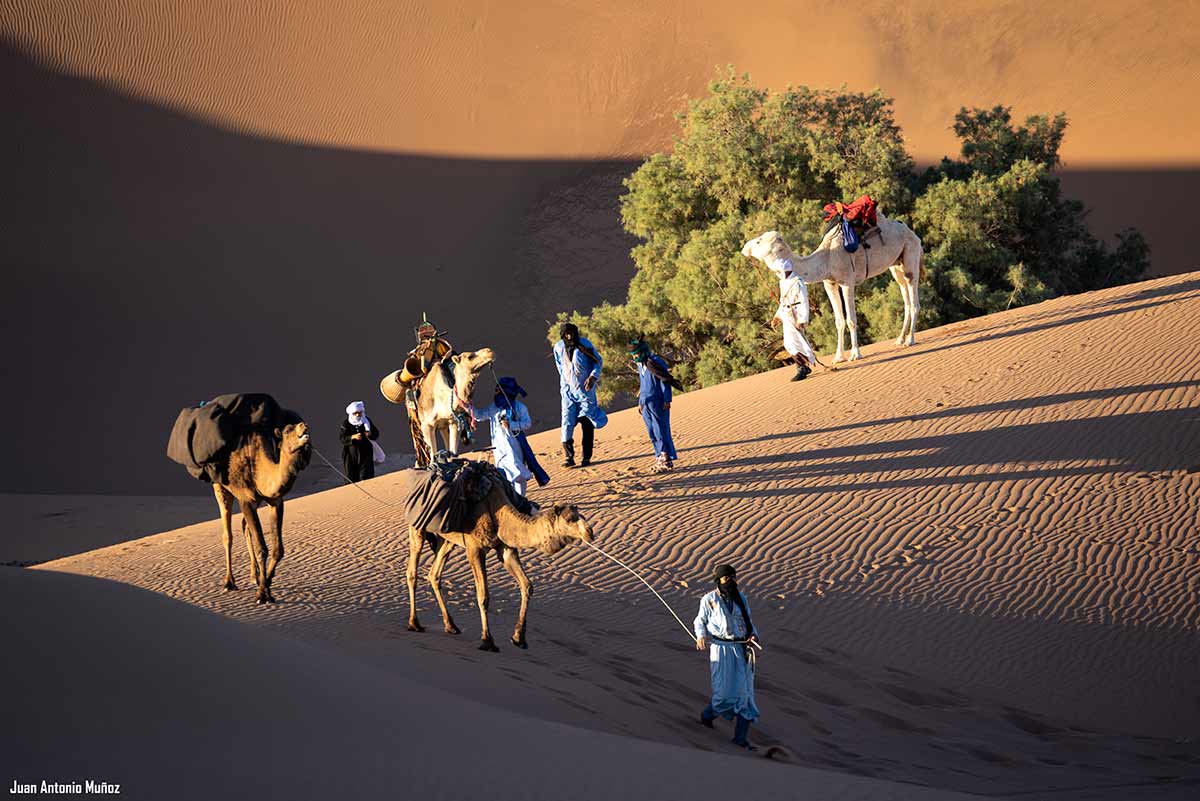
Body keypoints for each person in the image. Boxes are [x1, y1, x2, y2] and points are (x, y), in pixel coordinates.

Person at [694, 564, 760, 750]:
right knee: (724, 695)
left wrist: (753, 635)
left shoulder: (741, 598)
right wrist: (700, 636)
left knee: (745, 696)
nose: (730, 581)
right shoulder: (709, 599)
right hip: (720, 649)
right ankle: (707, 715)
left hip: (741, 650)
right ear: (718, 580)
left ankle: (740, 739)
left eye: (733, 577)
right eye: (726, 578)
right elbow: (700, 620)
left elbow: (748, 621)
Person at [473, 376, 549, 496]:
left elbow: (527, 423)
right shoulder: (494, 407)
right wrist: (467, 407)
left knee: (518, 474)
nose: (496, 392)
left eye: (498, 390)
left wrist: (512, 425)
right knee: (503, 476)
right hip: (499, 449)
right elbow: (480, 415)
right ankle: (513, 501)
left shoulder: (520, 407)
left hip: (515, 446)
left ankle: (521, 499)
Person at [398, 315, 454, 467]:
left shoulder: (441, 345)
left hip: (440, 369)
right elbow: (420, 367)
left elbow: (449, 356)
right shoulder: (418, 350)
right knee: (411, 393)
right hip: (425, 376)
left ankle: (463, 416)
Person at [552, 322, 607, 467]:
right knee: (567, 422)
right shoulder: (558, 347)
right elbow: (560, 367)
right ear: (563, 335)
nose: (569, 336)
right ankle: (569, 457)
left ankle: (586, 457)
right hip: (567, 393)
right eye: (566, 333)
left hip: (585, 392)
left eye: (572, 333)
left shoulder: (585, 344)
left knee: (587, 423)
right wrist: (566, 383)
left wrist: (593, 376)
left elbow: (598, 361)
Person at [629, 338, 682, 472]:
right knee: (651, 431)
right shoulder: (640, 365)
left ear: (643, 351)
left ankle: (666, 458)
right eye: (633, 355)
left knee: (661, 429)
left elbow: (665, 380)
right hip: (646, 403)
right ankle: (659, 457)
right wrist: (640, 402)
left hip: (659, 402)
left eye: (636, 354)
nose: (635, 357)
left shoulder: (654, 362)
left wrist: (667, 399)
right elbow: (643, 385)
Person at [766, 254, 818, 381]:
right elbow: (783, 302)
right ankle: (802, 366)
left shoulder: (798, 282)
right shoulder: (782, 282)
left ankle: (802, 367)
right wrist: (777, 317)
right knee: (789, 343)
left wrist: (802, 319)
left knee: (795, 343)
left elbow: (804, 301)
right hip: (787, 314)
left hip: (796, 315)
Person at [339, 401, 381, 482]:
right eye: (355, 413)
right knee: (350, 478)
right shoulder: (346, 424)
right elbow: (342, 438)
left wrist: (369, 434)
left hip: (366, 454)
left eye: (360, 413)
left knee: (366, 477)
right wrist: (352, 437)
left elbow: (376, 433)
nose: (358, 415)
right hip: (351, 456)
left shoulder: (367, 421)